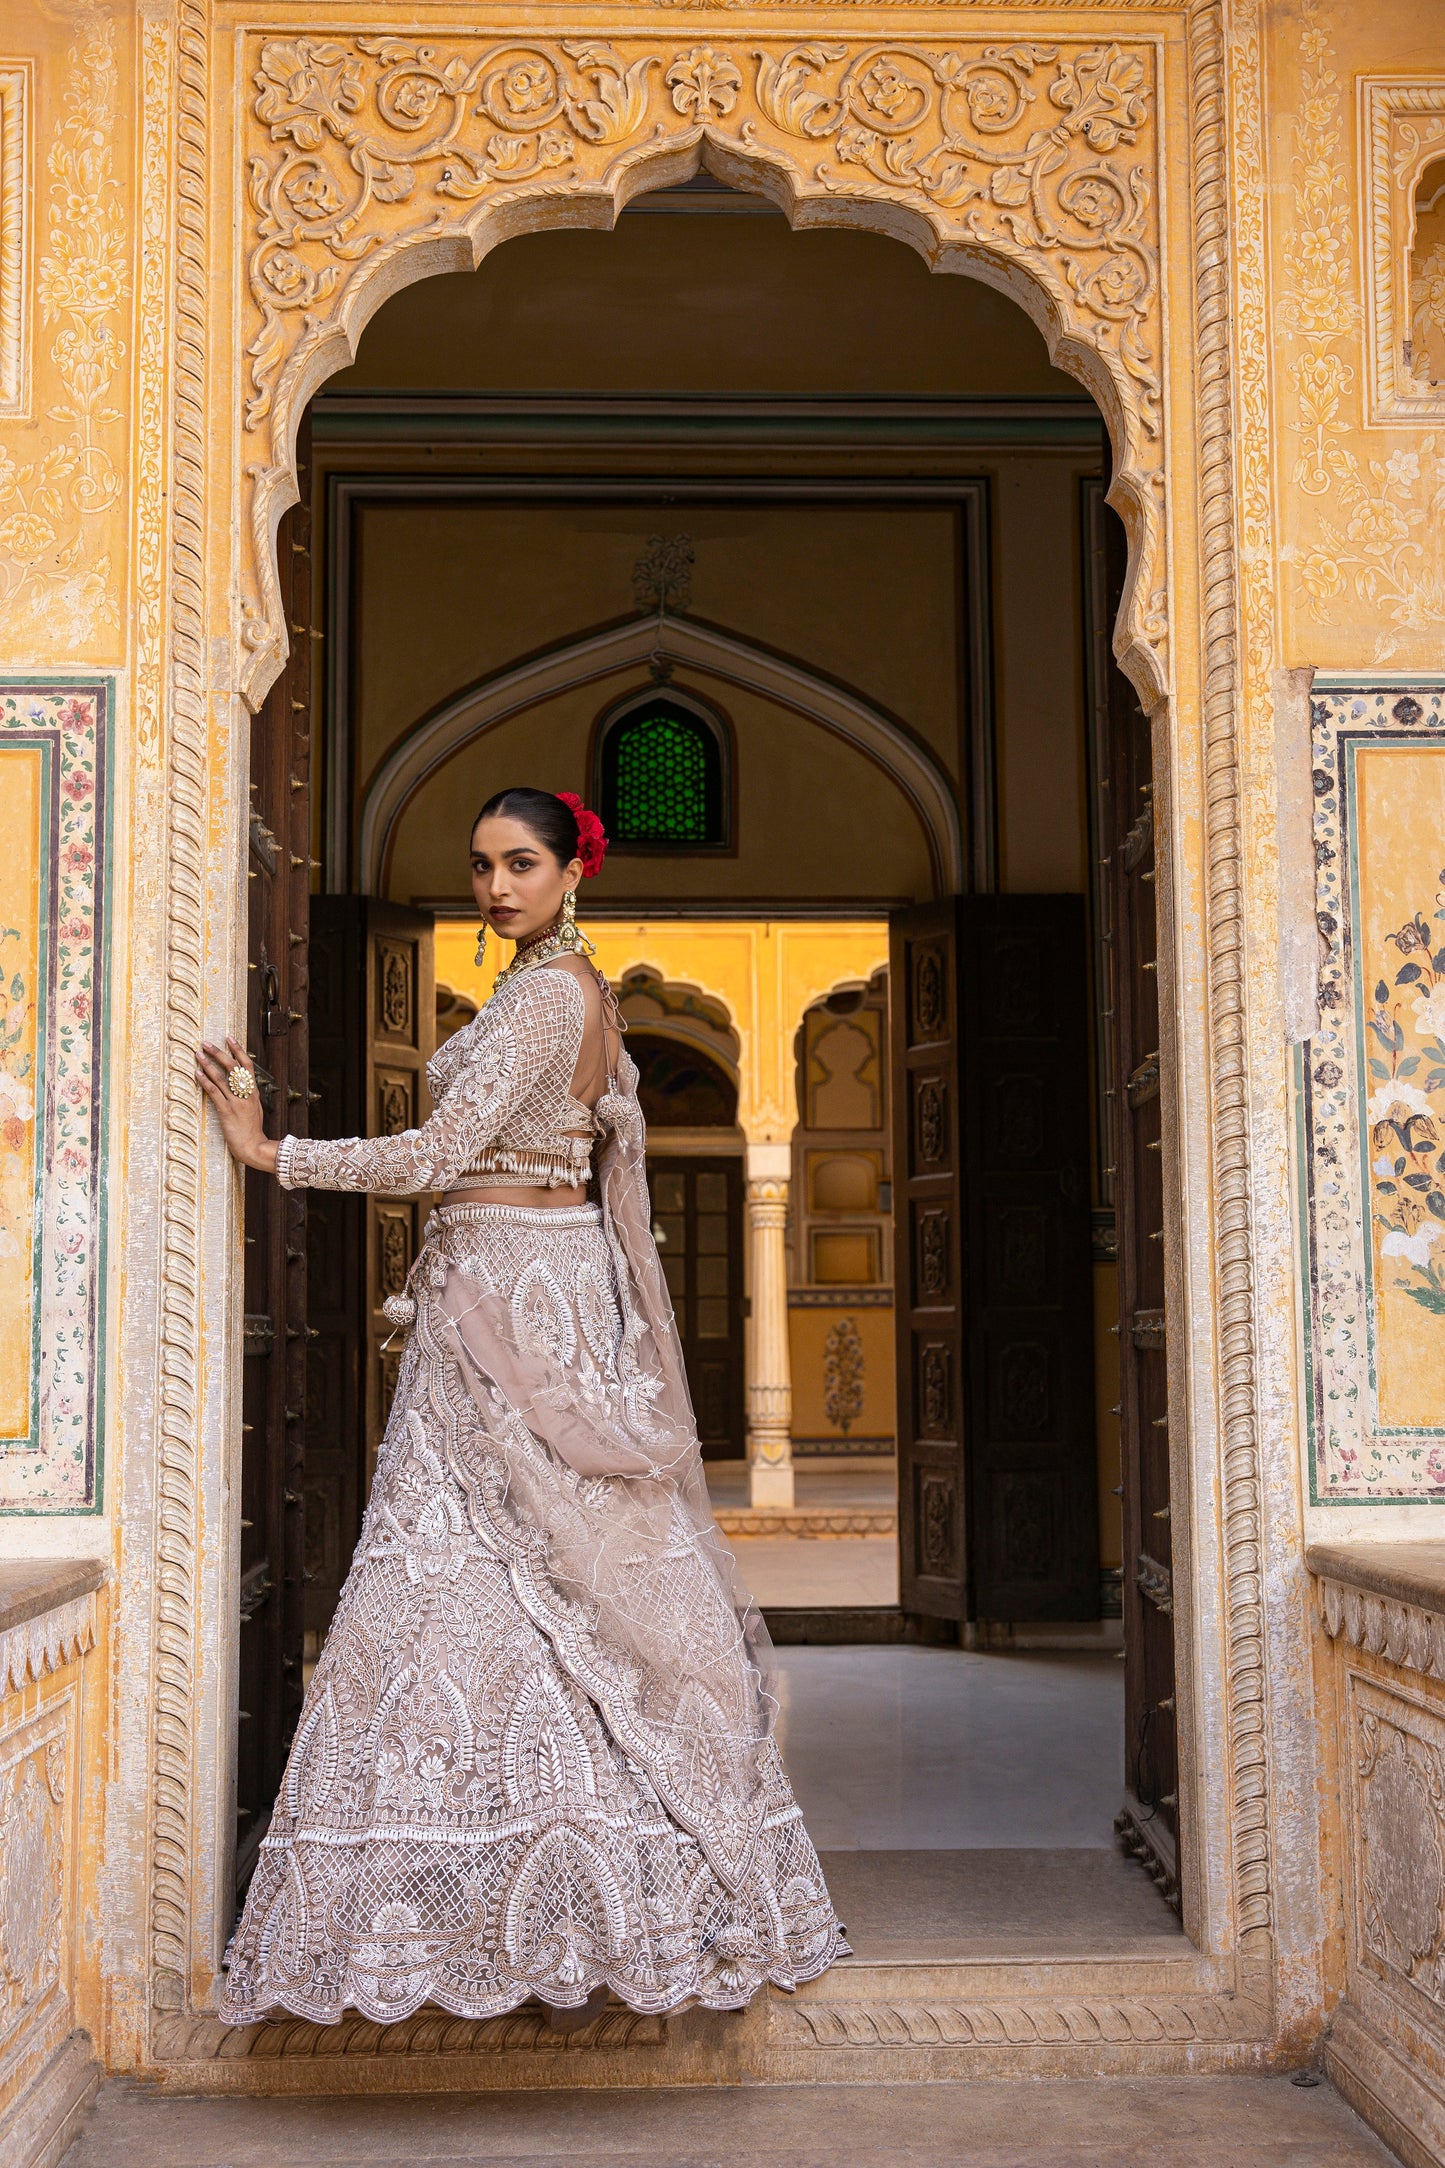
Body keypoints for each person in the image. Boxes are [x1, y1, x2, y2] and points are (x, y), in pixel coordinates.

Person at [196, 786, 847, 2026]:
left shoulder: (549, 996)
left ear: (569, 871)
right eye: (483, 865)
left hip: (509, 1294)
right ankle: (542, 1904)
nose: (497, 886)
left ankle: (550, 1905)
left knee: (470, 1568)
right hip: (526, 1285)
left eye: (521, 863)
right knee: (523, 1577)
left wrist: (274, 1152)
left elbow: (435, 1156)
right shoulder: (566, 989)